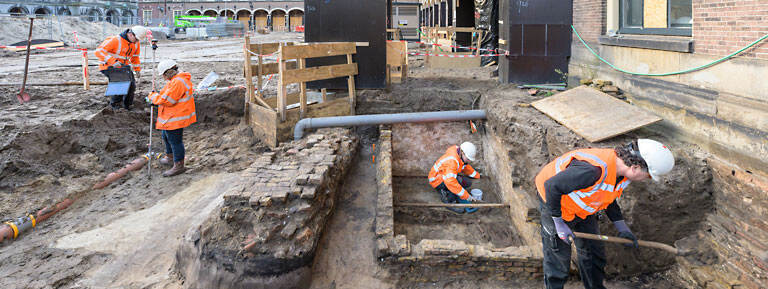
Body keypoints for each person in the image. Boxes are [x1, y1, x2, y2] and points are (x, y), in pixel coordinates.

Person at [534, 139, 675, 289]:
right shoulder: (592, 171)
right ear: (635, 167)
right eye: (648, 176)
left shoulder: (620, 174)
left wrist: (622, 227)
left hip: (583, 208)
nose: (646, 180)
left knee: (594, 254)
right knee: (559, 262)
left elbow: (607, 196)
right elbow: (552, 186)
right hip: (556, 204)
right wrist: (559, 223)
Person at [146, 59, 196, 177]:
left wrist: (153, 98)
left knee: (175, 141)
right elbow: (164, 94)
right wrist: (155, 96)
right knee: (166, 136)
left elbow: (168, 100)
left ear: (168, 72)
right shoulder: (174, 80)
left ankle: (179, 165)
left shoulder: (178, 82)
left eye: (163, 74)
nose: (163, 77)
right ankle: (170, 157)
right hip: (171, 116)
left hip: (176, 117)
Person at [95, 25, 148, 111]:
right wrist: (113, 62)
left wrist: (137, 70)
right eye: (136, 39)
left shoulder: (135, 43)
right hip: (108, 66)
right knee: (121, 82)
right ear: (130, 34)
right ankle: (115, 105)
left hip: (123, 67)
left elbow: (135, 57)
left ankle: (127, 105)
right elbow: (98, 52)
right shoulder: (116, 40)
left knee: (131, 85)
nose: (137, 42)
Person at [428, 142, 482, 213]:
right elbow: (450, 182)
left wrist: (477, 175)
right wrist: (466, 196)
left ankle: (452, 191)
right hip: (436, 180)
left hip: (444, 175)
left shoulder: (458, 154)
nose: (469, 161)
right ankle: (448, 199)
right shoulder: (452, 161)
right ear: (462, 153)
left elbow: (465, 167)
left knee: (467, 182)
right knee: (456, 183)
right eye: (468, 158)